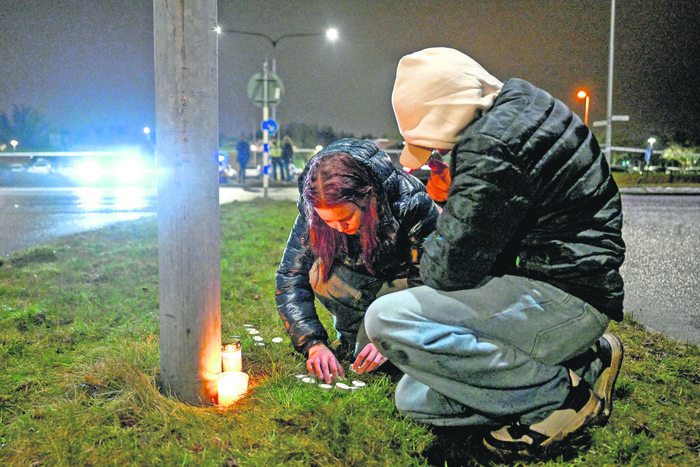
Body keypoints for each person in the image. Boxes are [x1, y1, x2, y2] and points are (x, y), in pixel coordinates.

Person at [364, 47, 626, 457]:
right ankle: (584, 362)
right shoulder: (519, 103)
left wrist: (446, 204)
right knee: (415, 399)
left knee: (386, 317)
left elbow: (448, 271)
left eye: (432, 148)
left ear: (444, 117)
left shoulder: (491, 147)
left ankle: (563, 399)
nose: (436, 158)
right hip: (566, 284)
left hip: (564, 294)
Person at [275, 138, 439, 384]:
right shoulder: (313, 210)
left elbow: (428, 278)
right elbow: (290, 275)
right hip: (359, 281)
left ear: (367, 199)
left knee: (391, 357)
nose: (338, 229)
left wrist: (392, 335)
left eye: (346, 218)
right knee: (318, 273)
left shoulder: (410, 202)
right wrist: (313, 343)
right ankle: (356, 336)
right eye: (328, 221)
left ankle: (384, 333)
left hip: (401, 284)